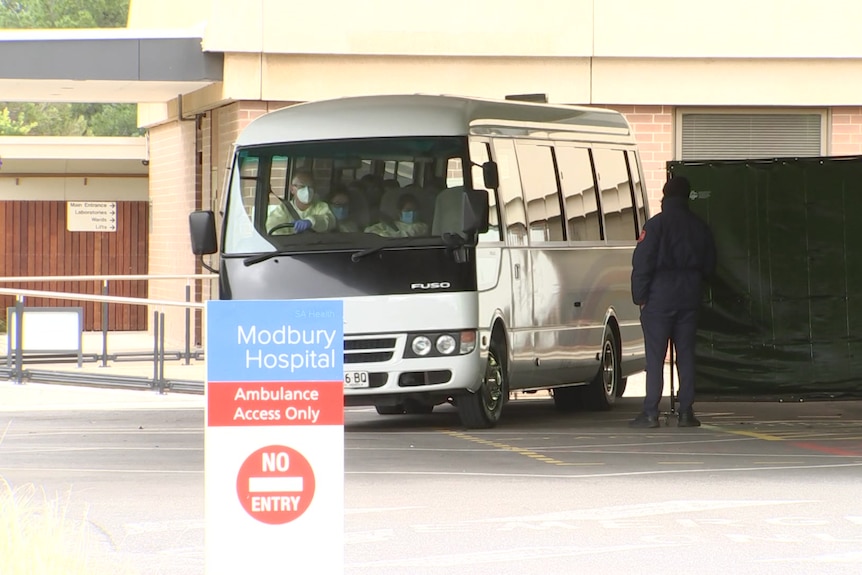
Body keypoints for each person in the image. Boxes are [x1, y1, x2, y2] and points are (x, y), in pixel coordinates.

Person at [629, 175, 716, 429]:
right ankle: (686, 411)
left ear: (665, 197)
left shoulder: (655, 226)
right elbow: (710, 265)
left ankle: (650, 412)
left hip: (658, 298)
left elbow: (642, 264)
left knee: (655, 357)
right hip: (689, 297)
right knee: (686, 355)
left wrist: (640, 297)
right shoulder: (700, 226)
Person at [266, 169, 336, 234]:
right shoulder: (283, 210)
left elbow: (330, 221)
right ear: (292, 189)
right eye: (302, 187)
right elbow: (273, 228)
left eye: (310, 187)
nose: (307, 191)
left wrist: (311, 221)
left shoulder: (321, 206)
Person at [364, 193, 428, 238]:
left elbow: (405, 235)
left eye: (415, 210)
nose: (412, 213)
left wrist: (383, 235)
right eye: (408, 210)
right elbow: (368, 231)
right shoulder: (389, 224)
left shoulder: (421, 227)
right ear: (399, 213)